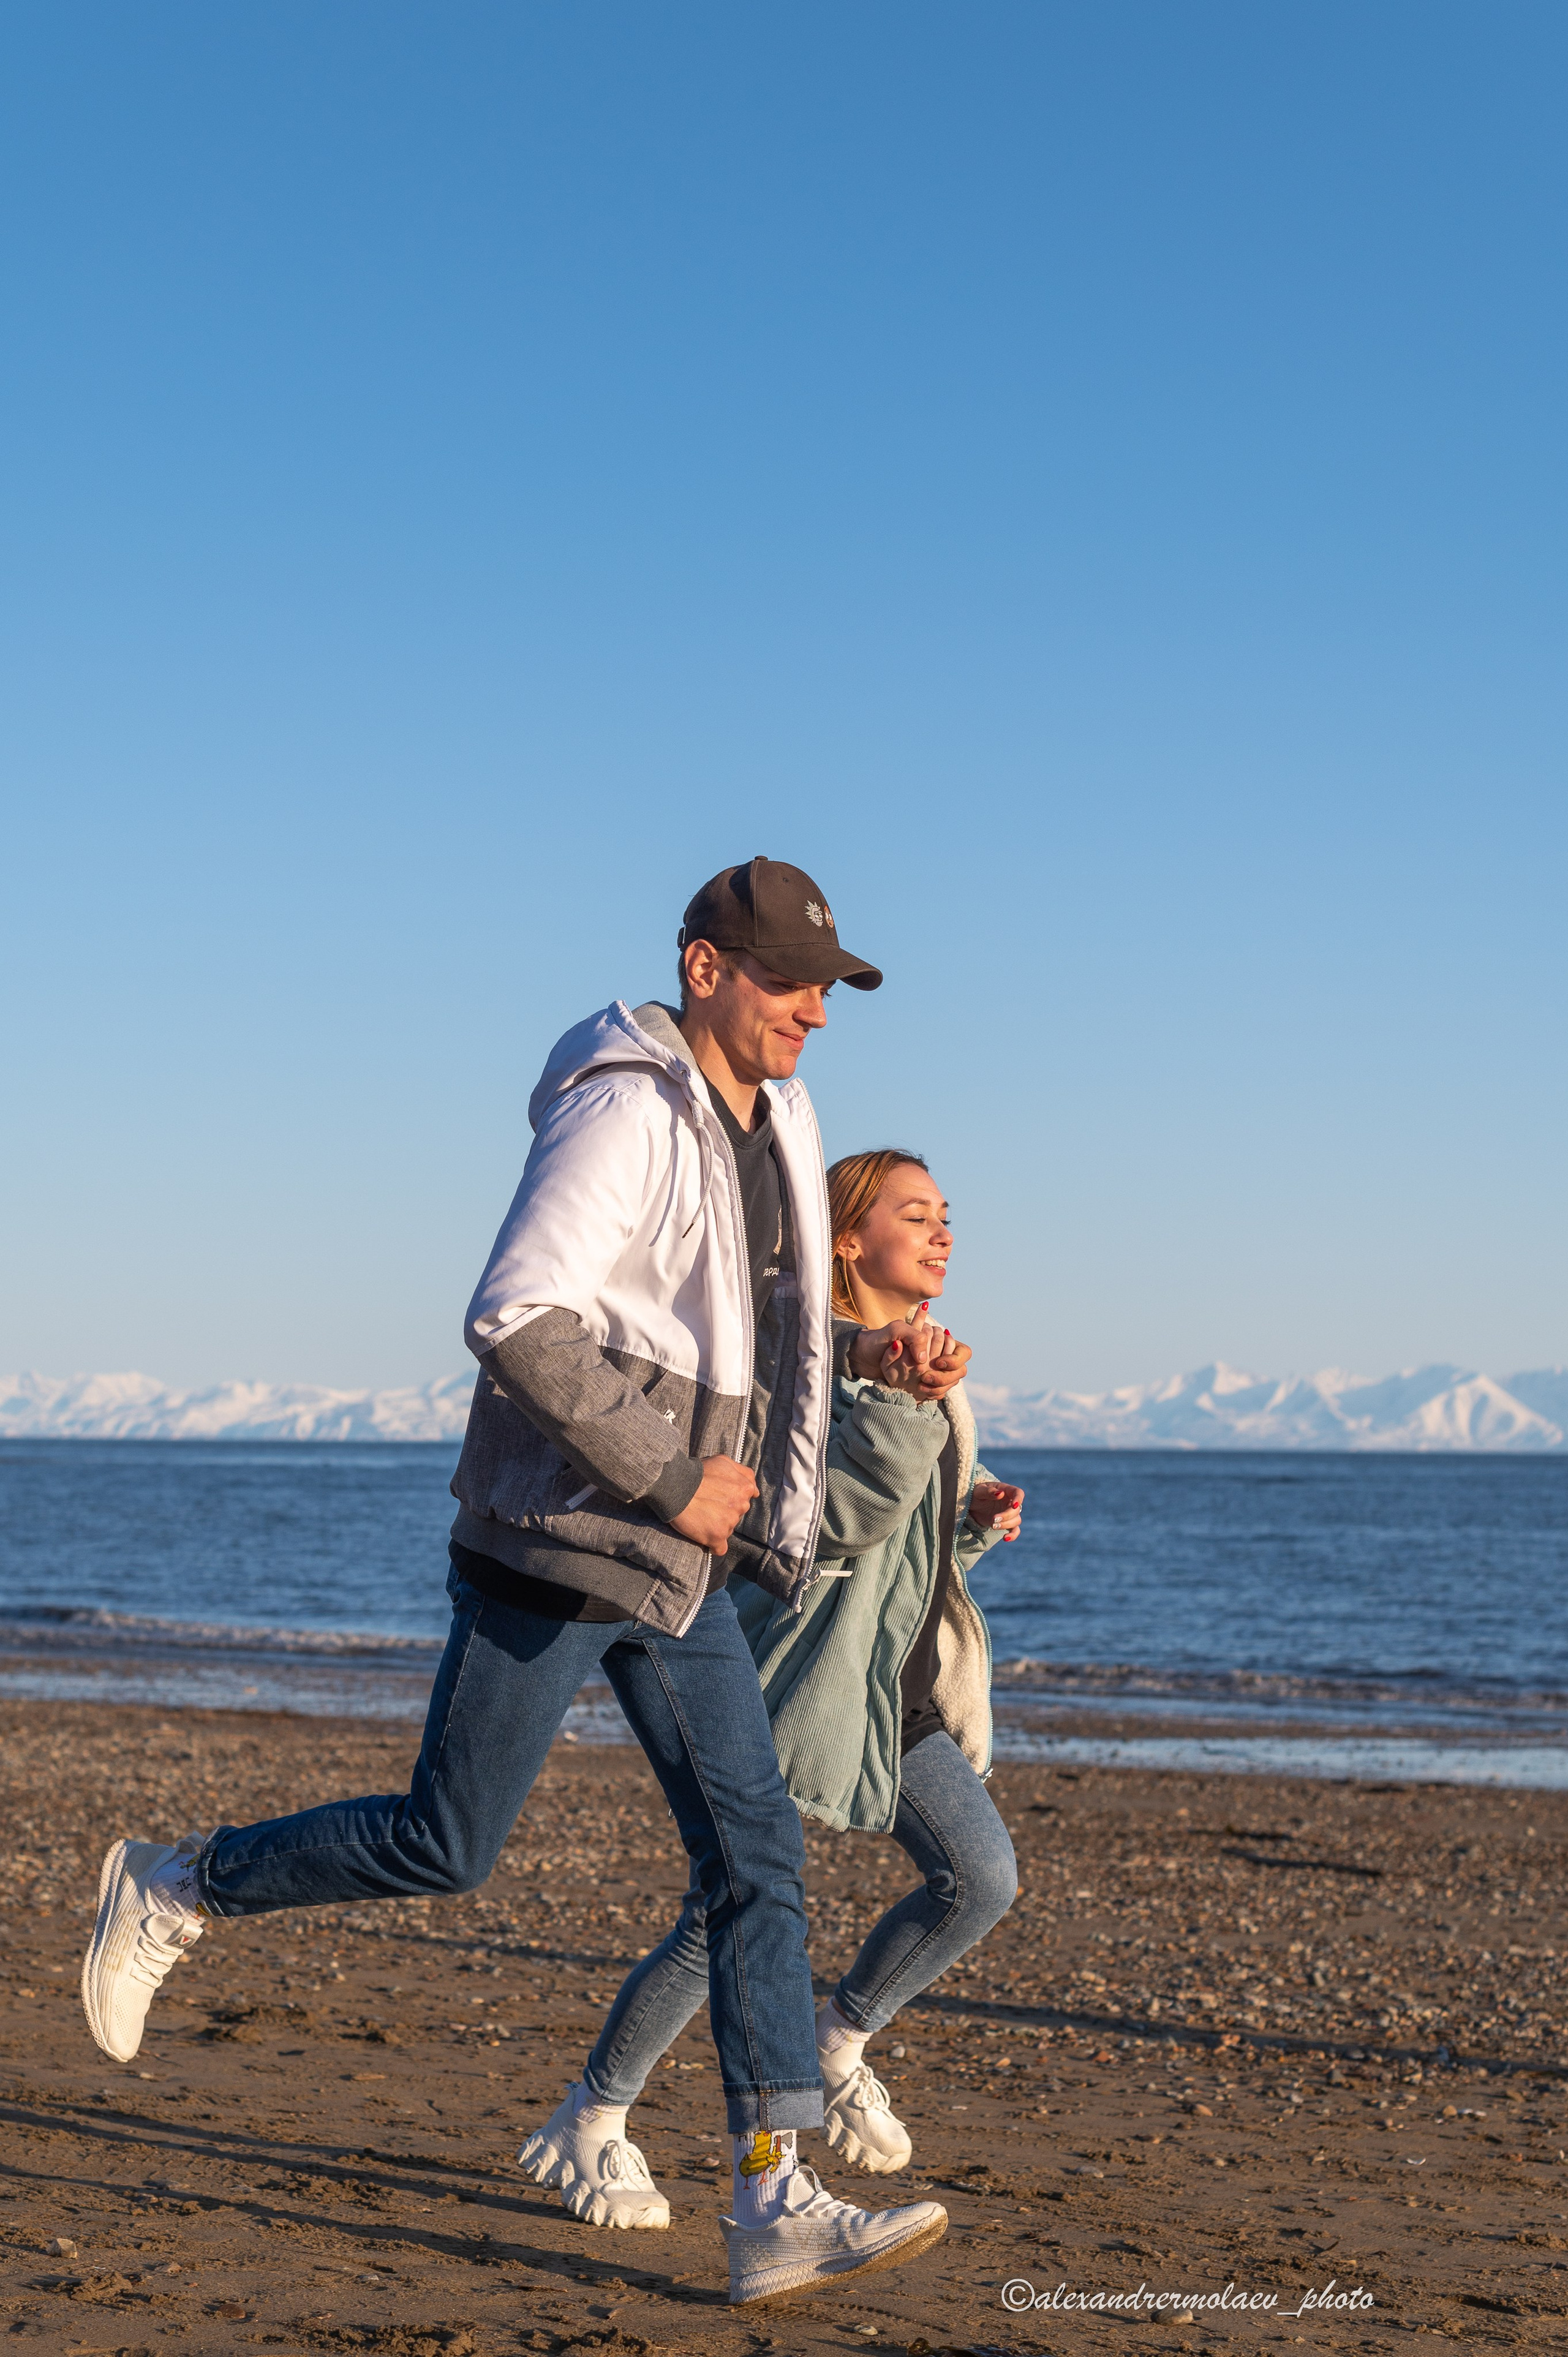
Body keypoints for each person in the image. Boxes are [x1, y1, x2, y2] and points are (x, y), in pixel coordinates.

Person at [80, 858, 954, 2307]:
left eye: (827, 986)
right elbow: (516, 1313)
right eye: (791, 980)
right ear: (703, 969)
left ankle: (771, 2197)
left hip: (673, 1566)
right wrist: (668, 1473)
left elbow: (751, 1319)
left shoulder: (777, 1118)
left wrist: (865, 1364)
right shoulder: (622, 1103)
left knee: (756, 1862)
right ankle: (177, 1884)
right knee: (447, 1841)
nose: (813, 1007)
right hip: (558, 1538)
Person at [520, 1144, 1025, 2225]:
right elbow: (822, 1524)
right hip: (802, 1676)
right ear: (848, 1239)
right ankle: (594, 2117)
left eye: (948, 1215)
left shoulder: (926, 1368)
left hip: (892, 1680)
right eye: (916, 1214)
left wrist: (972, 1518)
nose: (943, 1232)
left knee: (979, 1878)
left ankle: (841, 2037)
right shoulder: (805, 1365)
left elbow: (906, 1548)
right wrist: (899, 1408)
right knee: (734, 1915)